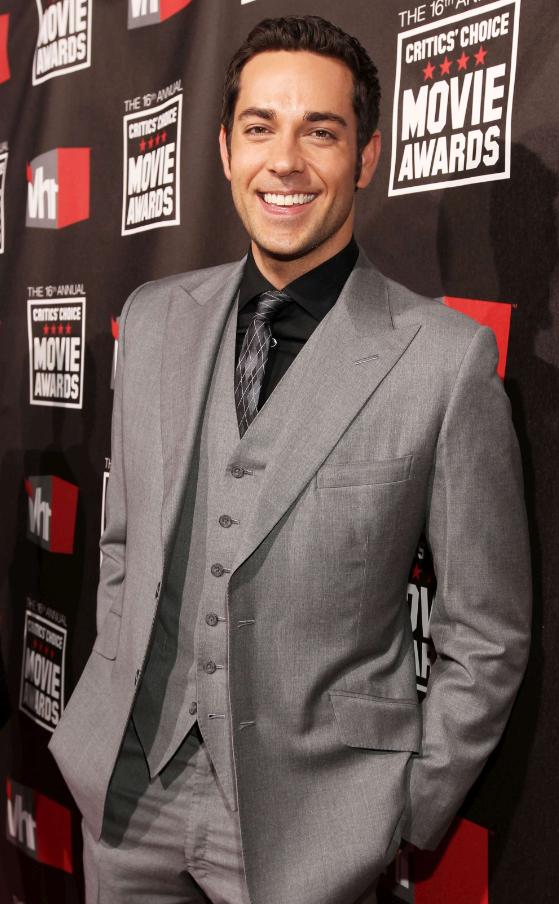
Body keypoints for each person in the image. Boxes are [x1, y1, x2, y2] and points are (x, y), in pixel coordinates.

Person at [49, 15, 531, 904]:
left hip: (312, 830)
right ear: (225, 148)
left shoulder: (441, 361)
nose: (285, 161)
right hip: (127, 796)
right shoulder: (151, 320)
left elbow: (486, 630)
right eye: (260, 128)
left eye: (320, 132)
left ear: (366, 156)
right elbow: (121, 547)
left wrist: (401, 806)